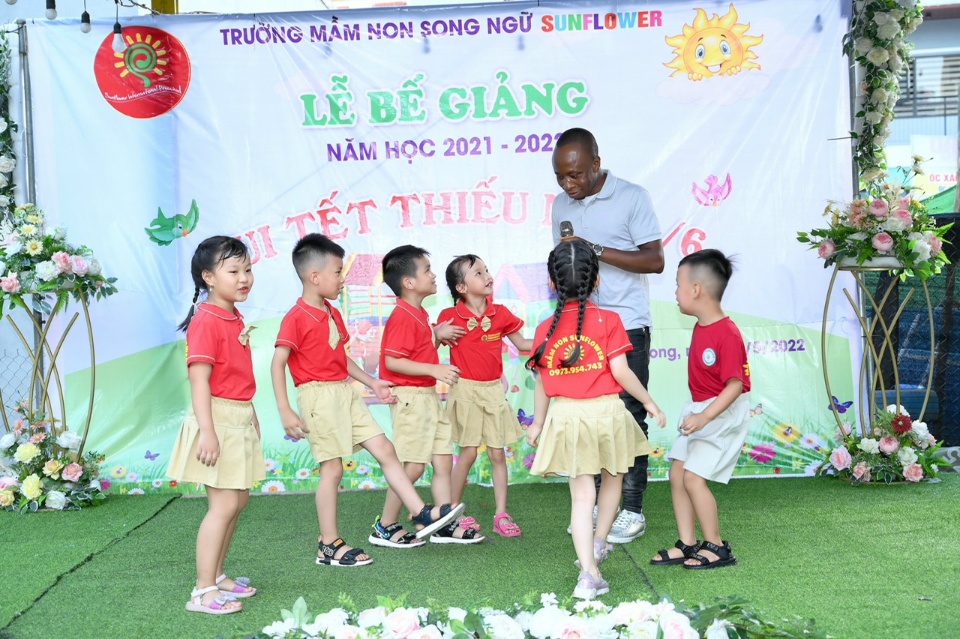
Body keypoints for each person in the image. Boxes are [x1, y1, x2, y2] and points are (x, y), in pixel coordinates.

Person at [270, 234, 464, 564]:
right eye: (337, 272)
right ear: (315, 276)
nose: (342, 279)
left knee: (386, 450)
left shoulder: (331, 312)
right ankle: (328, 544)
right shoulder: (296, 317)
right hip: (317, 397)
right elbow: (278, 363)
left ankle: (419, 512)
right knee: (332, 469)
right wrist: (285, 409)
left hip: (344, 393)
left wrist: (371, 382)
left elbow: (340, 358)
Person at [525, 240, 666, 600]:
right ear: (597, 279)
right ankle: (599, 542)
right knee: (613, 478)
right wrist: (648, 401)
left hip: (568, 416)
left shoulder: (544, 329)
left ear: (552, 283)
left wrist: (538, 424)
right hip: (607, 413)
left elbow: (542, 383)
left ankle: (588, 573)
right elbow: (621, 372)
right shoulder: (610, 321)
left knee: (581, 497)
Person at [551, 127, 664, 544]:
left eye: (576, 175)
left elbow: (655, 260)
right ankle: (599, 507)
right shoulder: (560, 204)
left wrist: (594, 249)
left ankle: (631, 510)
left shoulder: (632, 197)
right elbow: (565, 265)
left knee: (629, 416)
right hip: (582, 327)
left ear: (596, 164)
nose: (568, 185)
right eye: (560, 176)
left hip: (626, 324)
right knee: (591, 419)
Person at [166, 236, 264, 615]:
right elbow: (199, 381)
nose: (244, 278)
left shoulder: (232, 316)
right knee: (223, 505)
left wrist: (250, 413)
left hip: (237, 417)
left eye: (248, 270)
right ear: (208, 277)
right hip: (217, 421)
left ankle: (218, 575)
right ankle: (203, 590)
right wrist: (207, 431)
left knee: (238, 500)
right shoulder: (207, 319)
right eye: (233, 271)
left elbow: (235, 376)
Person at [376, 245, 484, 544]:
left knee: (442, 461)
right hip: (411, 398)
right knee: (413, 465)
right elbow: (392, 361)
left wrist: (435, 335)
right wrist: (434, 369)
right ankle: (385, 524)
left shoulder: (419, 314)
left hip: (427, 396)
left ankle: (443, 524)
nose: (433, 275)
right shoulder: (401, 316)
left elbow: (417, 352)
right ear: (409, 282)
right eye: (427, 270)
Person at [649, 249, 750, 570]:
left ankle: (717, 546)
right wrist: (699, 413)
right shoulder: (702, 326)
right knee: (677, 473)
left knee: (693, 478)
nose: (675, 293)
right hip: (700, 408)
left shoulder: (728, 333)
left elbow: (735, 385)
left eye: (678, 285)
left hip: (720, 411)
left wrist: (706, 416)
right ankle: (688, 543)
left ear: (696, 289)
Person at [439, 254, 533, 537]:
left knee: (497, 454)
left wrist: (552, 340)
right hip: (465, 391)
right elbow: (427, 348)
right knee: (467, 453)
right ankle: (450, 513)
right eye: (478, 273)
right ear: (461, 288)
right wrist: (437, 334)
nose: (487, 276)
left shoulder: (500, 313)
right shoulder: (448, 317)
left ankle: (501, 514)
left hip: (493, 391)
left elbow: (523, 344)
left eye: (487, 270)